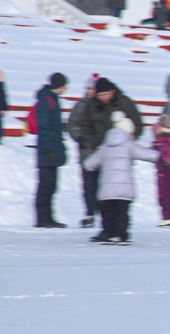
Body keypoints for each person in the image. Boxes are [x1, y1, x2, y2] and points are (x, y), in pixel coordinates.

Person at [67, 76, 143, 228]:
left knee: (119, 194)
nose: (103, 98)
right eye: (100, 95)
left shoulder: (125, 102)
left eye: (105, 95)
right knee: (102, 194)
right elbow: (84, 126)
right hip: (100, 152)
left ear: (112, 91)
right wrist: (93, 144)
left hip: (120, 156)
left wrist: (130, 138)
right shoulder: (91, 105)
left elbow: (138, 124)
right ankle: (106, 228)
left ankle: (120, 230)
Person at [82, 116, 159, 245]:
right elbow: (147, 154)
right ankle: (122, 235)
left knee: (109, 213)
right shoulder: (129, 145)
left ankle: (111, 234)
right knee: (122, 213)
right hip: (124, 188)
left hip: (107, 189)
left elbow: (89, 163)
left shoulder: (105, 147)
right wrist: (160, 156)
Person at [32, 73, 69, 228]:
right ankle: (43, 219)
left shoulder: (53, 99)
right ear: (57, 86)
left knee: (51, 185)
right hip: (48, 149)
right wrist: (50, 148)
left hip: (52, 147)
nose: (65, 88)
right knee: (46, 185)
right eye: (64, 85)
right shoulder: (47, 101)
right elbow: (45, 127)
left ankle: (48, 218)